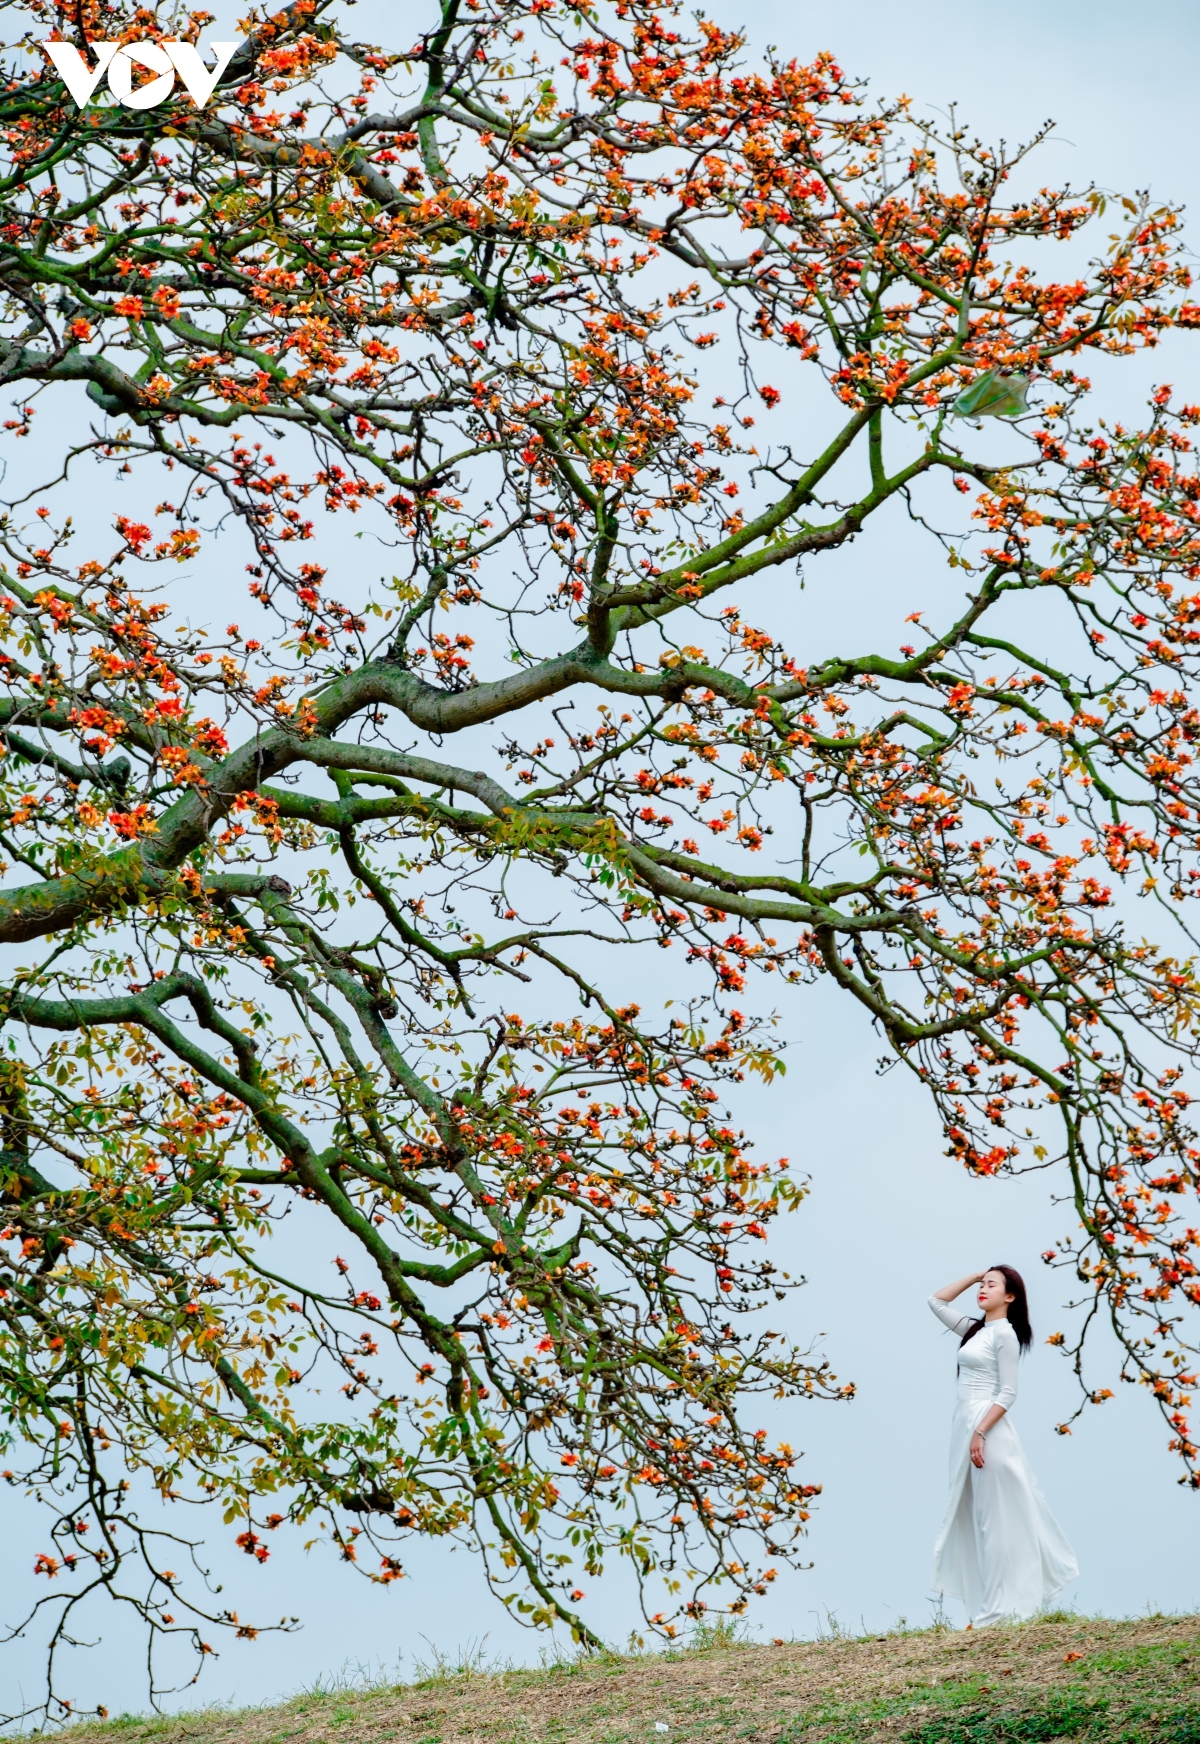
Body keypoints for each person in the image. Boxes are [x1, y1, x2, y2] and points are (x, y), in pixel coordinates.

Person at [929, 1266, 1078, 1627]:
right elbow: (935, 1301)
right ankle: (993, 1608)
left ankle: (998, 1612)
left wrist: (980, 1433)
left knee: (996, 1522)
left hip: (986, 1430)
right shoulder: (975, 1330)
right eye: (982, 1285)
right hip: (966, 1427)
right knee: (980, 1521)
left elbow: (1008, 1392)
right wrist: (974, 1274)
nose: (982, 1289)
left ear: (1009, 1296)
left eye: (991, 1285)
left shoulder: (1005, 1335)